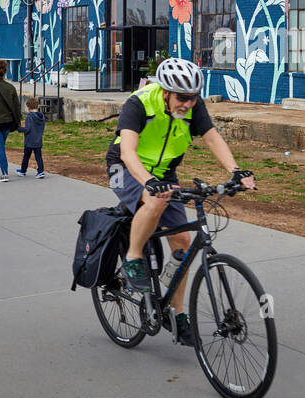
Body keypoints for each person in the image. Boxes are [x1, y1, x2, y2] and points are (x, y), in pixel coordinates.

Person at [105, 57, 256, 346]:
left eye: (193, 98)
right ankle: (134, 257)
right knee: (154, 201)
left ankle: (177, 315)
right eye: (182, 98)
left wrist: (234, 171)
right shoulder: (139, 103)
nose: (188, 104)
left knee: (184, 244)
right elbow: (127, 152)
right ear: (165, 93)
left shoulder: (194, 107)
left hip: (163, 172)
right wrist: (148, 182)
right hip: (123, 168)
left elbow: (211, 137)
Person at [15, 96, 46, 178]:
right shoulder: (42, 117)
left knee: (26, 157)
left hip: (29, 141)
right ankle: (41, 171)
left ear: (28, 108)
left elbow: (27, 129)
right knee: (38, 157)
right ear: (38, 107)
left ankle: (23, 171)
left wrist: (18, 128)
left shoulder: (29, 117)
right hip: (38, 140)